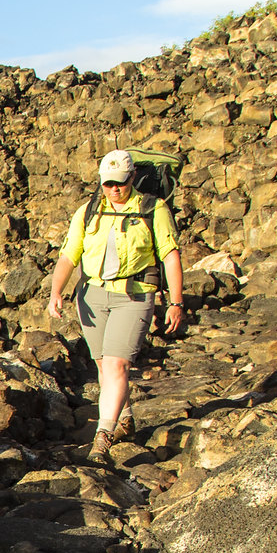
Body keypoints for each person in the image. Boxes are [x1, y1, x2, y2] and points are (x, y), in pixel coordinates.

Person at [46, 148, 184, 462]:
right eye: (108, 184)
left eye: (120, 182)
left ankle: (102, 438)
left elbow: (170, 255)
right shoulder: (89, 210)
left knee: (116, 365)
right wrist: (57, 291)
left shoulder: (153, 209)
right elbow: (69, 255)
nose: (114, 189)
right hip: (92, 296)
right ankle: (125, 420)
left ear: (133, 177)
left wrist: (176, 302)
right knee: (102, 365)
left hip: (134, 296)